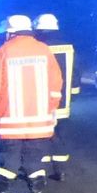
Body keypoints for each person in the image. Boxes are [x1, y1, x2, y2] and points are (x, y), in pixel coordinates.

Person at [0, 15, 63, 193]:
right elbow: (56, 83)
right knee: (34, 159)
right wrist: (52, 108)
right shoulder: (44, 50)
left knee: (9, 159)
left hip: (10, 121)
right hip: (39, 122)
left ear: (11, 32)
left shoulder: (4, 51)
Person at [33, 13, 79, 180]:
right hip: (63, 102)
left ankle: (40, 169)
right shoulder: (69, 47)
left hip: (41, 101)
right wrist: (72, 95)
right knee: (60, 135)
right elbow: (75, 73)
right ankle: (60, 171)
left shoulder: (37, 46)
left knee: (40, 136)